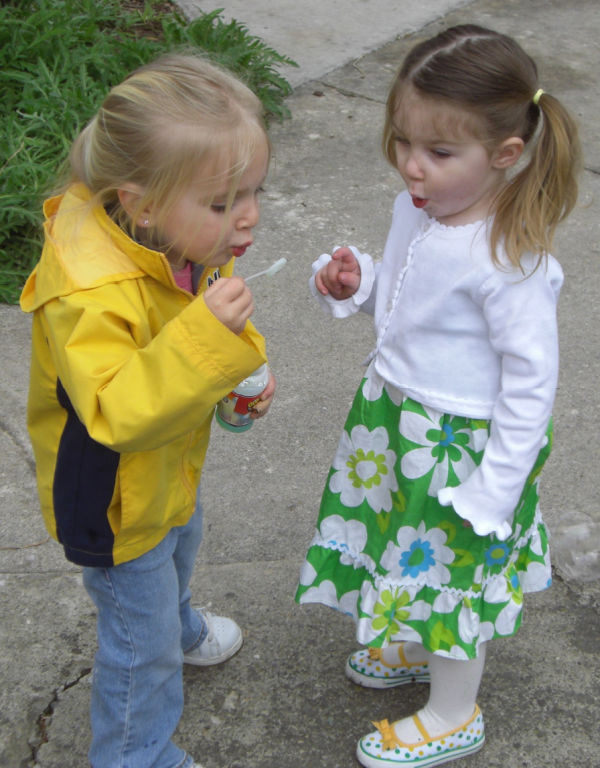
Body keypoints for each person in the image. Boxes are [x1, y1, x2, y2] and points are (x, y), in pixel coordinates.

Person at [295, 24, 581, 768]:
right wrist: (362, 287)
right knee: (408, 551)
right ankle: (419, 648)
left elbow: (530, 387)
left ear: (506, 155)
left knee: (455, 584)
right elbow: (413, 303)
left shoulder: (510, 260)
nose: (412, 168)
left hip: (462, 452)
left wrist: (498, 488)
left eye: (439, 153)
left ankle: (454, 713)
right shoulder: (419, 210)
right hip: (398, 425)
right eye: (402, 142)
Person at [20, 53, 276, 768]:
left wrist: (237, 370)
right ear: (142, 201)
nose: (247, 217)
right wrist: (207, 341)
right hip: (113, 498)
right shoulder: (87, 291)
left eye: (256, 191)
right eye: (225, 203)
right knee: (140, 651)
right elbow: (119, 412)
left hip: (166, 467)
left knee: (183, 545)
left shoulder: (174, 237)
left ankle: (179, 620)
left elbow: (193, 332)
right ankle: (135, 754)